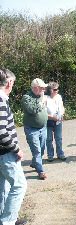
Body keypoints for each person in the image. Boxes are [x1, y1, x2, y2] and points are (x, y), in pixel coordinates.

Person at [0, 68, 27, 225]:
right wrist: (16, 149)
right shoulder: (1, 101)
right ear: (9, 82)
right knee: (19, 185)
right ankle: (8, 221)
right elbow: (2, 132)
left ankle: (4, 218)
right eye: (13, 83)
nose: (13, 86)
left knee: (3, 188)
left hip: (2, 153)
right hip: (6, 153)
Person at [21, 78, 48, 180]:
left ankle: (35, 162)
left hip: (43, 128)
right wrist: (41, 101)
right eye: (42, 88)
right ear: (35, 88)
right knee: (36, 150)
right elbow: (32, 110)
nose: (43, 90)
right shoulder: (26, 98)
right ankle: (41, 171)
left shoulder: (41, 96)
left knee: (41, 148)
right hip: (31, 129)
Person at [45, 82, 66, 162]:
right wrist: (52, 117)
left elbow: (62, 107)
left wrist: (62, 114)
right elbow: (43, 112)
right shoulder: (45, 98)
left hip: (58, 120)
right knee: (49, 139)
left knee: (59, 138)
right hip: (48, 120)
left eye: (57, 89)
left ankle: (60, 154)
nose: (57, 91)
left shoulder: (59, 97)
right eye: (55, 89)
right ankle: (50, 155)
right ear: (50, 90)